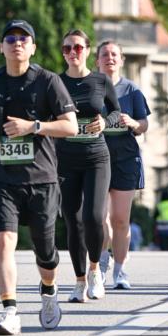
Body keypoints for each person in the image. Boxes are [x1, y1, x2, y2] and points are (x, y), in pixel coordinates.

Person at [0, 19, 77, 335]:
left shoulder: (48, 82)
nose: (17, 43)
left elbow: (70, 125)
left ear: (32, 47)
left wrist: (34, 127)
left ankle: (48, 290)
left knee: (45, 252)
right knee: (3, 243)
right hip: (1, 178)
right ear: (1, 46)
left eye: (24, 39)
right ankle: (10, 311)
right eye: (11, 38)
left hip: (42, 178)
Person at [57, 30, 120, 302]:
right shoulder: (55, 83)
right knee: (72, 220)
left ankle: (95, 269)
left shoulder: (100, 80)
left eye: (78, 48)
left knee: (93, 216)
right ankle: (79, 280)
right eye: (67, 48)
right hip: (66, 159)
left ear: (87, 51)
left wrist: (106, 121)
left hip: (96, 156)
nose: (73, 53)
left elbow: (115, 111)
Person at [95, 40, 150, 289]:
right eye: (104, 54)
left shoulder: (132, 90)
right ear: (96, 61)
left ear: (122, 60)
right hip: (96, 156)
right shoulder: (91, 87)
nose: (110, 58)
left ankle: (120, 270)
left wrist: (133, 123)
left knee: (120, 219)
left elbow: (144, 125)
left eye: (114, 54)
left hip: (125, 157)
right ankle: (101, 261)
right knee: (99, 217)